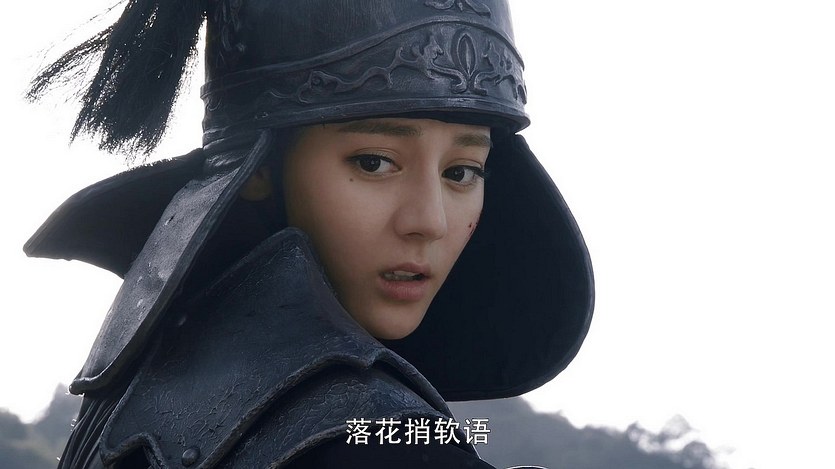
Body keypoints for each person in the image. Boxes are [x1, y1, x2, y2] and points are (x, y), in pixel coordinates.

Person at [26, 0, 594, 467]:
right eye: (374, 162)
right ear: (262, 168)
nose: (430, 221)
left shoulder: (134, 392)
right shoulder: (382, 442)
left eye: (462, 172)